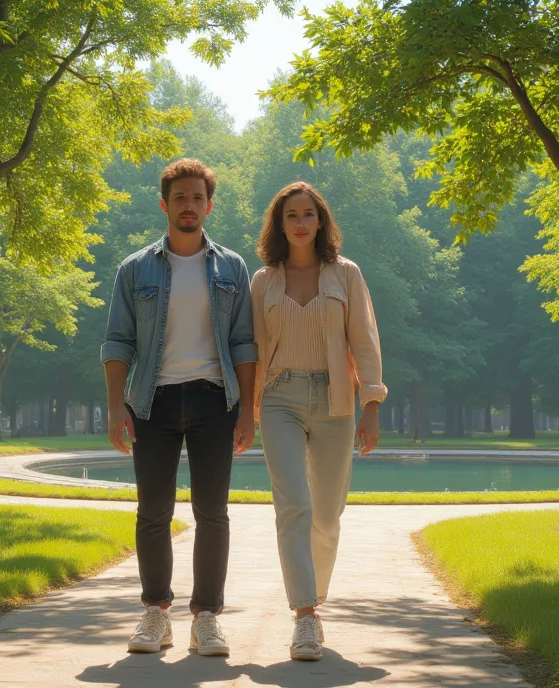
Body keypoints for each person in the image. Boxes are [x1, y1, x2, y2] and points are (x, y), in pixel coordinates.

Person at [100, 158, 258, 657]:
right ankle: (155, 615)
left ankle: (206, 619)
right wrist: (115, 407)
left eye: (197, 198)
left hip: (215, 400)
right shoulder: (135, 268)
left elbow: (245, 345)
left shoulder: (232, 267)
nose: (189, 206)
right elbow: (117, 342)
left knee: (213, 513)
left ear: (208, 205)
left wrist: (248, 410)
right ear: (164, 203)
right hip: (153, 402)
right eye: (180, 197)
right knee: (152, 512)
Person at [250, 181, 386, 661]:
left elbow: (364, 341)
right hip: (279, 398)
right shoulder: (263, 281)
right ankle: (304, 617)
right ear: (280, 223)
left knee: (327, 517)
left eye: (309, 214)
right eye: (292, 215)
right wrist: (246, 413)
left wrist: (370, 405)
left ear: (321, 221)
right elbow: (252, 352)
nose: (301, 222)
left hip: (336, 402)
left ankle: (314, 596)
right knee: (293, 506)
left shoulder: (345, 275)